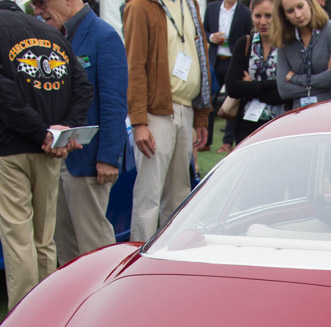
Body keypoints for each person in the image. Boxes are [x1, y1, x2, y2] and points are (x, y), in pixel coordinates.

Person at [0, 0, 92, 309]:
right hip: (48, 148)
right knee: (44, 240)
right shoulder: (51, 32)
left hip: (10, 145)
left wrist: (43, 131)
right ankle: (47, 316)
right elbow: (82, 87)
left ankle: (23, 325)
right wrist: (64, 130)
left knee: (19, 239)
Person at [33, 0, 129, 265]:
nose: (37, 11)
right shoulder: (54, 37)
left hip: (89, 160)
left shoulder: (104, 36)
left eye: (42, 3)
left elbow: (114, 102)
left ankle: (108, 302)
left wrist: (109, 157)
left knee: (95, 245)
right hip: (60, 157)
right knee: (66, 249)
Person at [123, 0, 213, 242]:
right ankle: (140, 261)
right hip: (155, 111)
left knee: (178, 195)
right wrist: (139, 121)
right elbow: (135, 65)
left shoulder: (190, 4)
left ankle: (172, 259)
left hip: (186, 108)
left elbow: (200, 58)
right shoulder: (140, 6)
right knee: (148, 196)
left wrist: (201, 116)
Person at [225, 0, 284, 143]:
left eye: (268, 16)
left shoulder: (286, 45)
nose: (262, 22)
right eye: (258, 16)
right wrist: (271, 85)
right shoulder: (244, 44)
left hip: (281, 123)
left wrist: (251, 86)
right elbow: (232, 88)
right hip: (247, 125)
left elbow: (285, 93)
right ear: (251, 15)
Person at [271, 0, 331, 108]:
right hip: (302, 114)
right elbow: (284, 90)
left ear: (310, 4)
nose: (298, 14)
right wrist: (327, 81)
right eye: (290, 11)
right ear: (284, 15)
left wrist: (295, 79)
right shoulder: (284, 41)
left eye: (300, 6)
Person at [205, 0, 252, 154]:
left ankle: (227, 142)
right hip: (215, 60)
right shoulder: (211, 9)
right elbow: (203, 31)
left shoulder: (245, 13)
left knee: (232, 101)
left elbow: (248, 36)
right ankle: (205, 140)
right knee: (209, 100)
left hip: (234, 62)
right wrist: (212, 37)